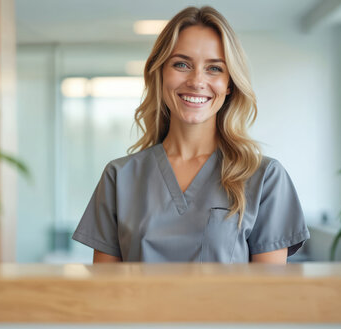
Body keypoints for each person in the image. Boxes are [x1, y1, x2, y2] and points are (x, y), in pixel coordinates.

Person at [72, 6, 310, 264]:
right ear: (160, 72)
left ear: (229, 83)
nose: (197, 81)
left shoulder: (264, 179)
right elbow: (107, 294)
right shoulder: (119, 178)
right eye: (182, 64)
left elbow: (268, 297)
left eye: (214, 68)